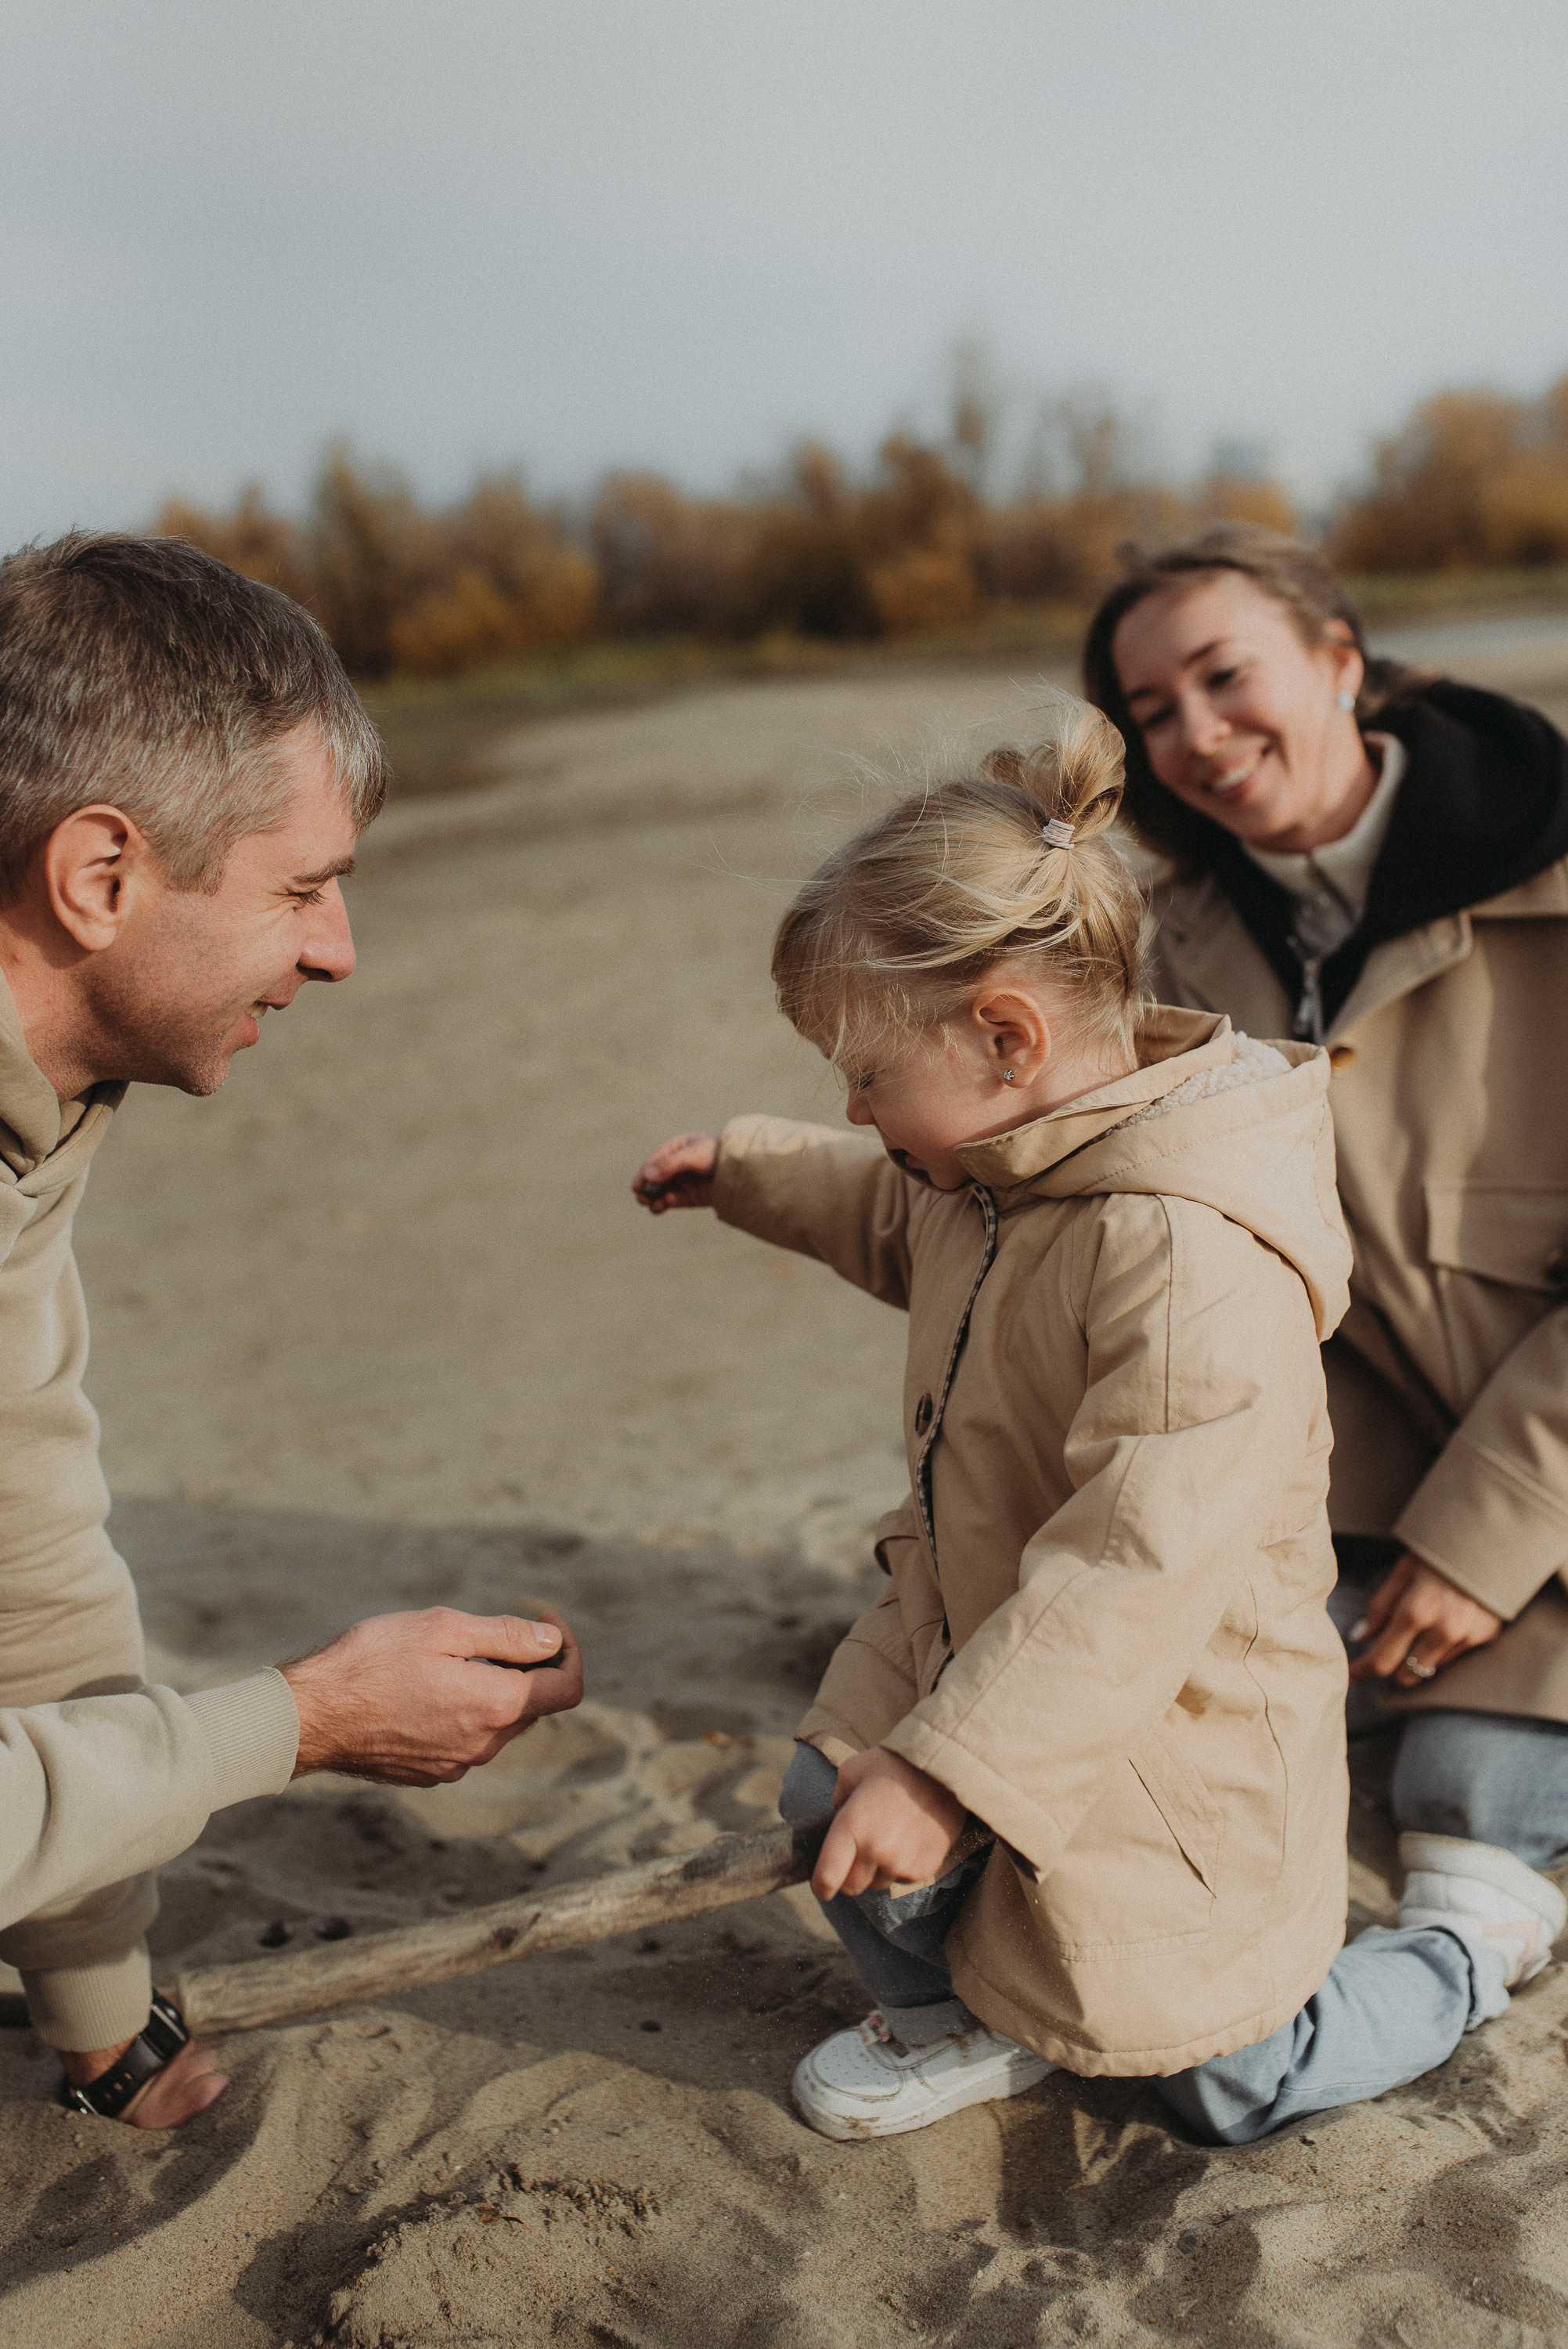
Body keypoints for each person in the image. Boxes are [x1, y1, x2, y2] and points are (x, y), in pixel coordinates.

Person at [632, 699, 1565, 2148]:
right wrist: (750, 1171)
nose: (857, 1105)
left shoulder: (1188, 1255)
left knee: (1214, 2069)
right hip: (974, 1623)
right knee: (837, 1796)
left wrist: (953, 1771)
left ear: (1005, 1035)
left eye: (865, 1073)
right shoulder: (990, 1168)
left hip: (1166, 1723)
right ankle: (957, 2027)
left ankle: (1454, 1966)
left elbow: (1138, 1564)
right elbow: (890, 1206)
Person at [0, 534, 584, 2129]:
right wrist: (303, 1721)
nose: (338, 950)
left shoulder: (37, 1107)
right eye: (302, 889)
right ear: (99, 878)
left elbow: (29, 1574)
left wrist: (100, 2015)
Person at [1083, 527, 1568, 1890]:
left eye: (1226, 675)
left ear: (1341, 662)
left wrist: (1486, 1541)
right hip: (1340, 1502)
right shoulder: (1166, 946)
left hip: (1543, 1489)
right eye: (1153, 712)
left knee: (1465, 1801)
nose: (1198, 734)